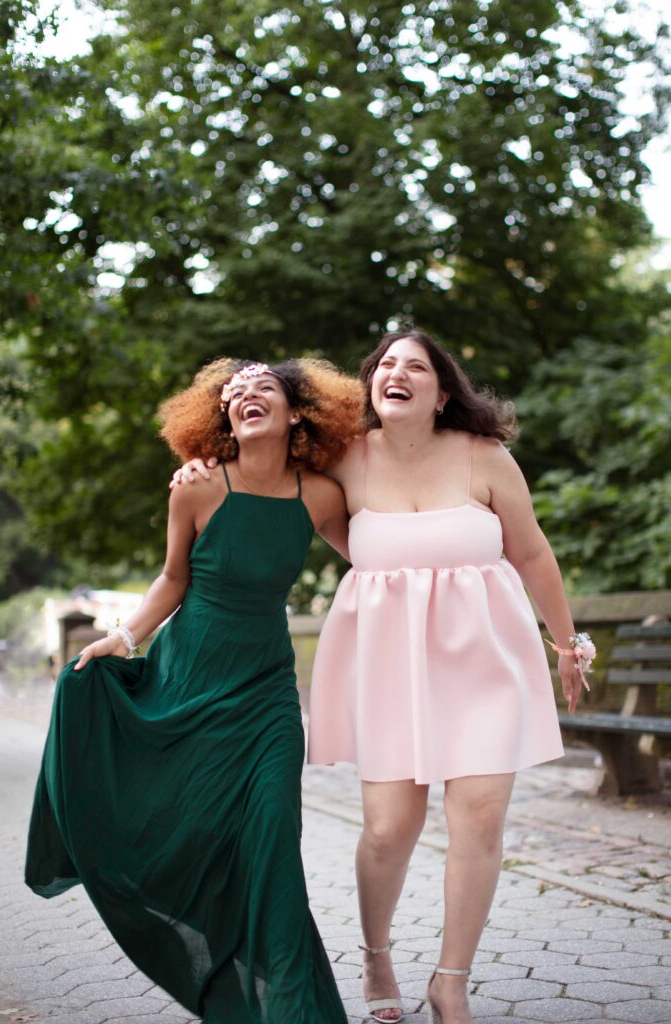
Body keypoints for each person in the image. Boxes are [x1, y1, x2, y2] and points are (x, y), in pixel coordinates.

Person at [173, 330, 591, 1024]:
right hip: (390, 666)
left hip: (484, 657)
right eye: (384, 365)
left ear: (442, 391)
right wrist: (196, 468)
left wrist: (565, 641)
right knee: (389, 829)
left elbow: (533, 552)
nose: (394, 373)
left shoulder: (485, 458)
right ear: (368, 386)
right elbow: (265, 469)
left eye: (414, 366)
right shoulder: (341, 461)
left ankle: (449, 982)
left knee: (481, 816)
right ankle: (375, 954)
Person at [25, 357, 363, 1024]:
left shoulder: (319, 495)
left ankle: (294, 1008)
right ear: (223, 418)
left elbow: (374, 555)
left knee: (272, 836)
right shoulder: (197, 488)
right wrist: (121, 639)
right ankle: (229, 977)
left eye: (262, 387)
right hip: (189, 682)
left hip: (266, 696)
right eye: (234, 393)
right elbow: (173, 580)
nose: (245, 396)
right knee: (197, 832)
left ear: (297, 413)